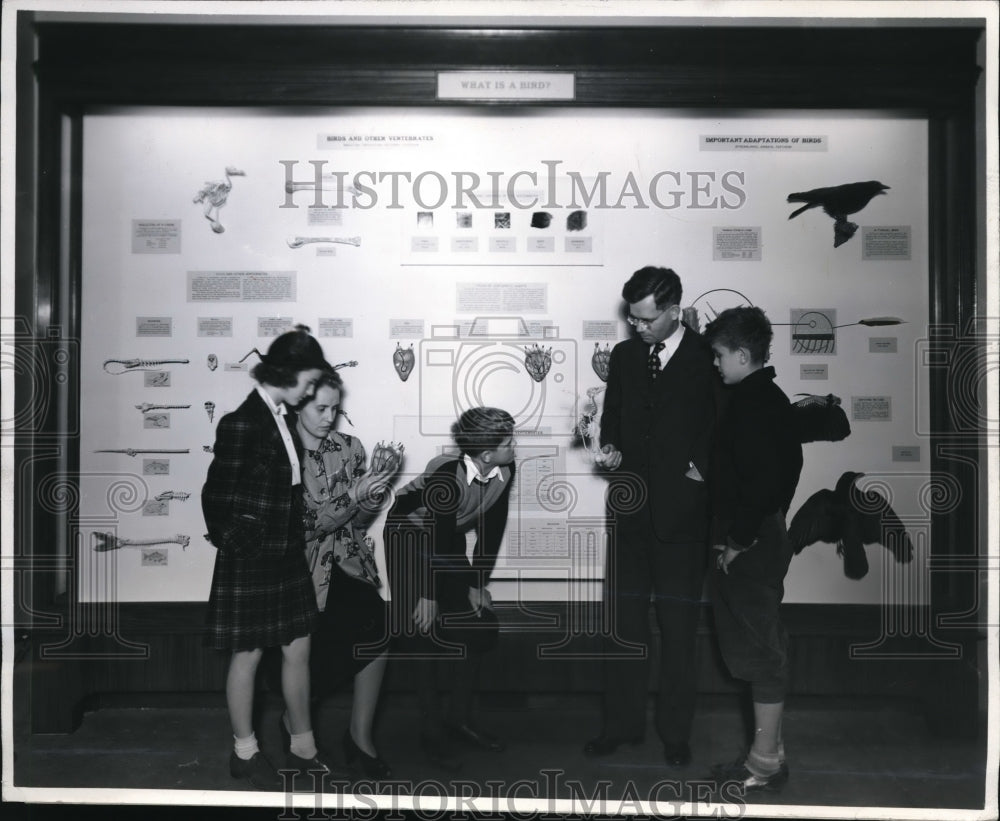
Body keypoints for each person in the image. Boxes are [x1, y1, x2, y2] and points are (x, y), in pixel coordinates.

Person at [587, 266, 717, 768]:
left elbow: (718, 428)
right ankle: (619, 727)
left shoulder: (708, 357)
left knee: (679, 631)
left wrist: (700, 472)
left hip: (683, 520)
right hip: (629, 512)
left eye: (645, 320)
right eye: (632, 319)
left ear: (674, 310)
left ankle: (675, 734)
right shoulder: (623, 356)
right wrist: (611, 449)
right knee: (622, 627)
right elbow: (612, 418)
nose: (637, 328)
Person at [202, 325, 336, 790]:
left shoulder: (279, 414)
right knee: (248, 656)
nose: (314, 388)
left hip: (286, 556)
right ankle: (245, 753)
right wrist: (244, 545)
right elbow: (215, 499)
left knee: (300, 648)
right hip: (254, 557)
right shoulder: (242, 422)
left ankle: (303, 748)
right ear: (290, 372)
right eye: (311, 380)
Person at [702, 306, 803, 792]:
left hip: (752, 540)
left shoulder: (752, 403)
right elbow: (774, 470)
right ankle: (769, 757)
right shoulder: (768, 398)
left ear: (743, 355)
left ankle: (764, 764)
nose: (717, 365)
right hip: (762, 533)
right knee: (763, 646)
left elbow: (763, 482)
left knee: (761, 654)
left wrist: (740, 540)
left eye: (720, 356)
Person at [384, 407, 516, 770]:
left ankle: (459, 719)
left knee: (478, 623)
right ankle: (431, 730)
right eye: (508, 442)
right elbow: (435, 538)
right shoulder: (446, 475)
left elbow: (493, 524)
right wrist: (428, 594)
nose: (513, 446)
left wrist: (477, 583)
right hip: (409, 538)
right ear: (486, 453)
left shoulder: (505, 468)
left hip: (445, 538)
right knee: (421, 629)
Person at [292, 369, 400, 779]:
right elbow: (306, 526)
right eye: (320, 408)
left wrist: (372, 495)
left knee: (380, 628)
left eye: (335, 409)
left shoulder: (350, 447)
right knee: (319, 650)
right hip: (301, 570)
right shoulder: (283, 453)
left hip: (348, 563)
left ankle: (359, 737)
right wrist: (355, 493)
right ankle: (296, 724)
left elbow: (356, 524)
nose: (329, 417)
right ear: (298, 403)